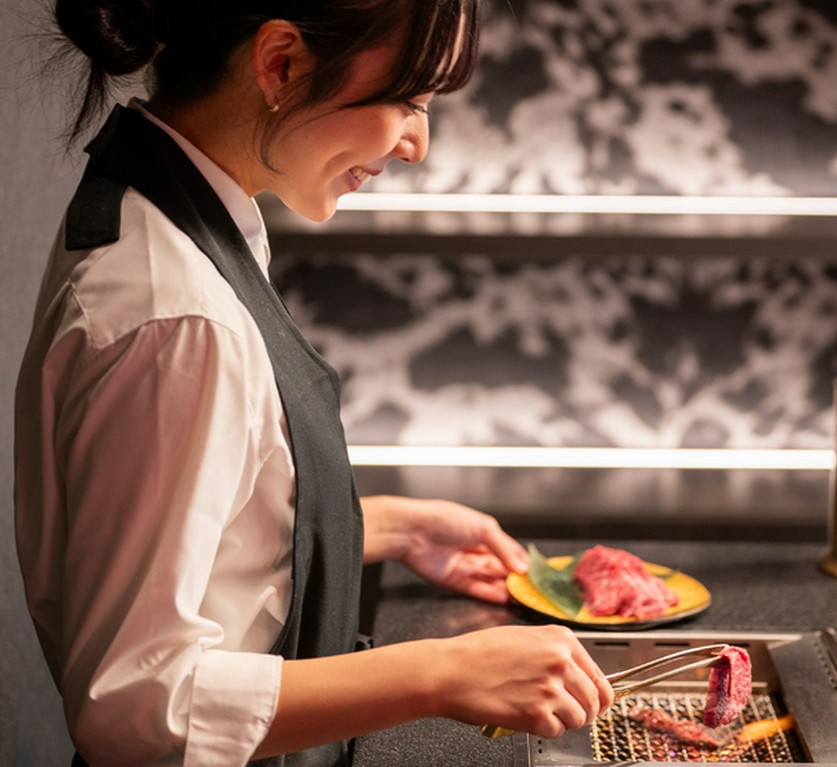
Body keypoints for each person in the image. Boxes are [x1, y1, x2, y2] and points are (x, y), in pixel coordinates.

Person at [13, 1, 614, 765]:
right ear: (282, 64)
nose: (417, 144)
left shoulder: (164, 207)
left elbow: (207, 527)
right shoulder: (179, 315)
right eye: (409, 99)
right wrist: (443, 673)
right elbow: (138, 706)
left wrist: (387, 528)